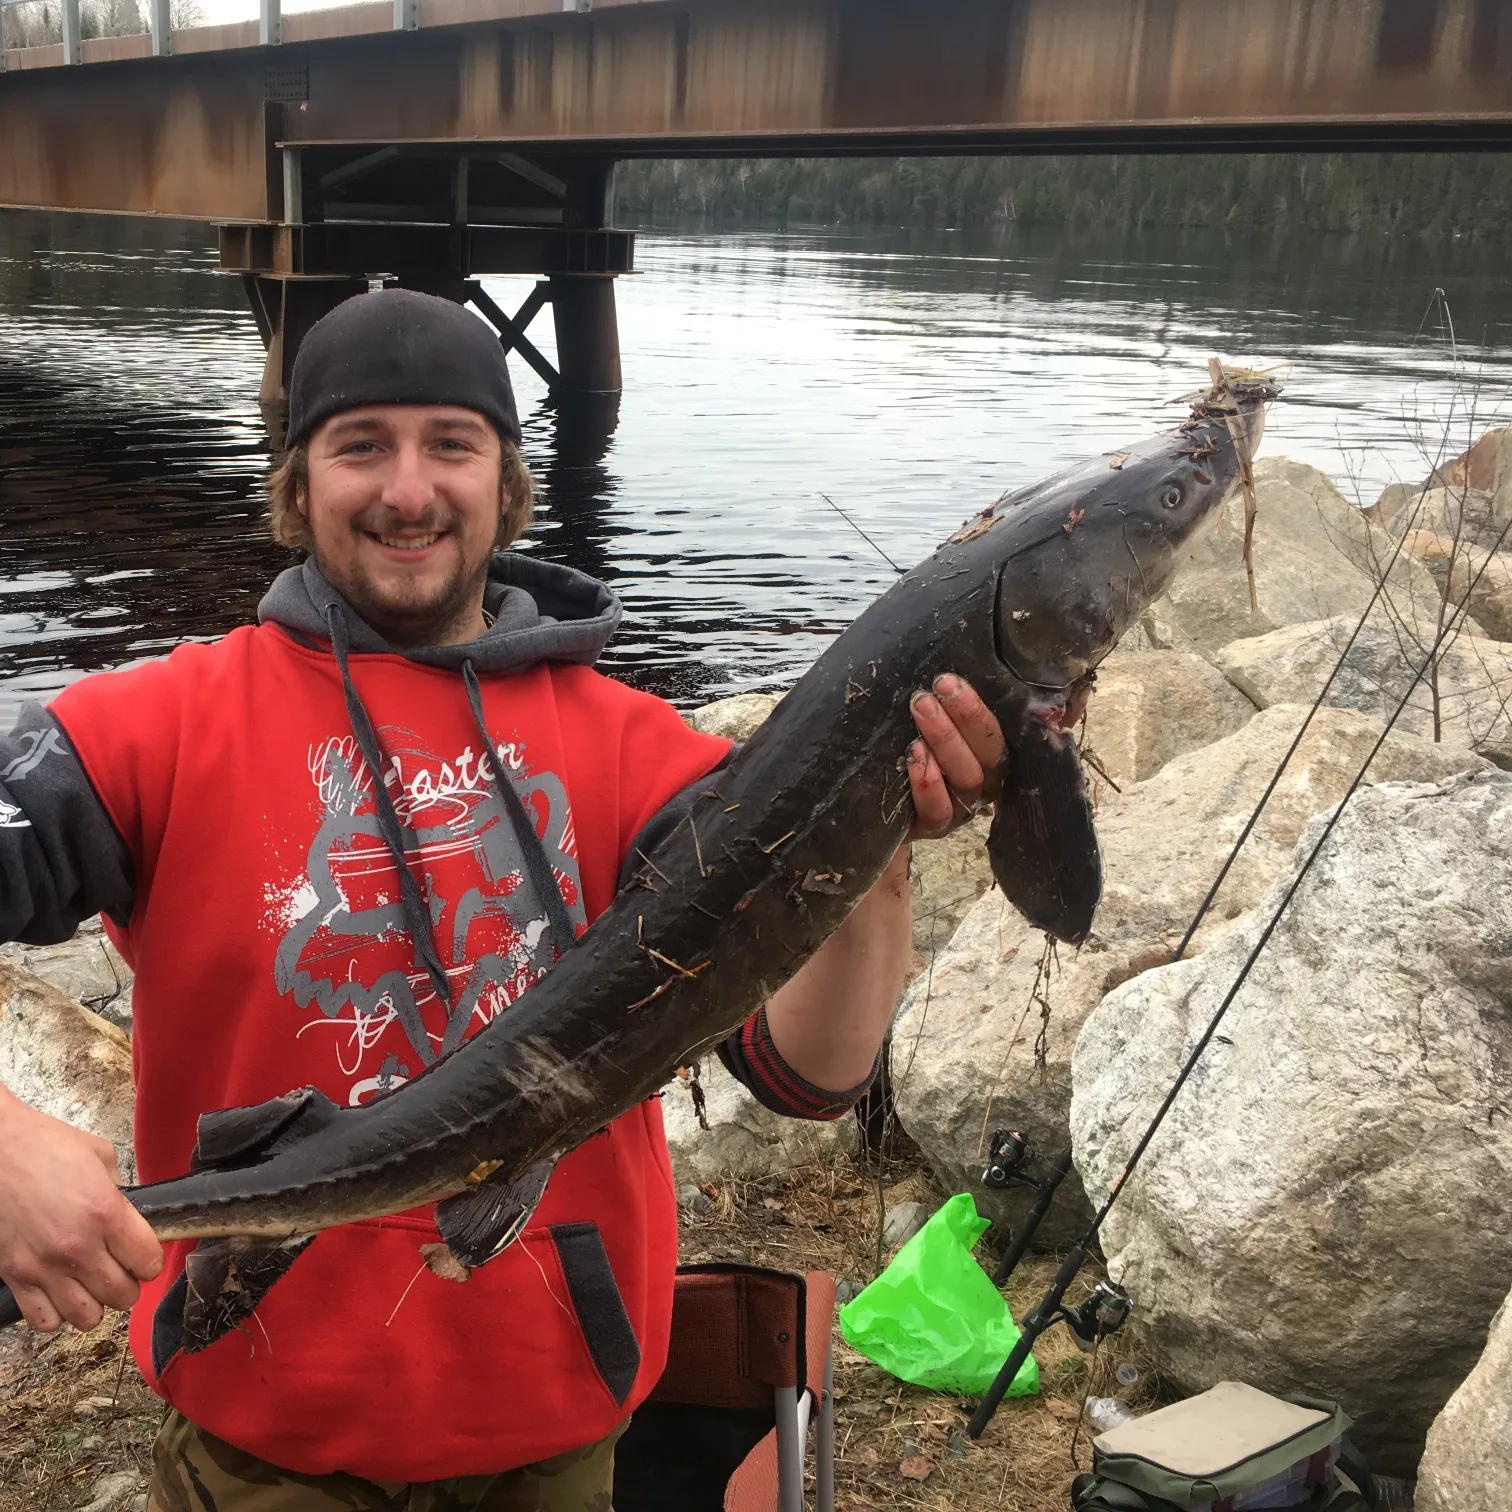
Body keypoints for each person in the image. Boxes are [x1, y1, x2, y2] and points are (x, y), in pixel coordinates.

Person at [0, 290, 1006, 1509]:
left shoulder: (646, 758)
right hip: (264, 1433)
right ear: (298, 483)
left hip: (553, 1433)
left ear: (509, 481)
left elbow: (807, 1074)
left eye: (451, 445)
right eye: (361, 444)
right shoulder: (148, 732)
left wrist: (874, 847)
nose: (408, 490)